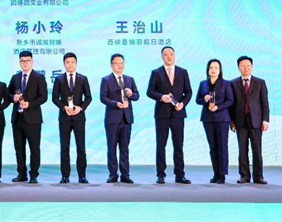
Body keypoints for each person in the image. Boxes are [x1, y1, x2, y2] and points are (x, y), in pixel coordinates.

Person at [146, 46, 192, 184]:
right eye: (166, 55)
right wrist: (161, 97)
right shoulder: (156, 72)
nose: (169, 57)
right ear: (162, 57)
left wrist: (183, 104)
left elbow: (188, 92)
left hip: (178, 114)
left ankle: (180, 175)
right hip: (162, 114)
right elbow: (150, 91)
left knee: (178, 145)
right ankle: (161, 174)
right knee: (161, 145)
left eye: (171, 54)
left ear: (174, 55)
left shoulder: (183, 72)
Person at [52, 52, 92, 184]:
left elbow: (88, 97)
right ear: (64, 64)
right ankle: (65, 176)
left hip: (79, 117)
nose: (70, 64)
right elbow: (54, 98)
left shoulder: (83, 78)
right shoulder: (59, 79)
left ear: (76, 63)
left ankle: (82, 175)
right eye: (67, 62)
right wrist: (64, 107)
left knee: (81, 147)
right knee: (64, 148)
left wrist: (80, 108)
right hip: (65, 117)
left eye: (72, 62)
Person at [9, 50, 48, 184]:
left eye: (27, 61)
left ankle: (33, 175)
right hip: (17, 118)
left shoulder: (39, 77)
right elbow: (8, 93)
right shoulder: (15, 77)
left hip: (33, 118)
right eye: (22, 61)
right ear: (19, 62)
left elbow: (43, 97)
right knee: (19, 148)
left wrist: (29, 104)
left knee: (34, 148)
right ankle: (21, 173)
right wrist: (13, 97)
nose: (24, 63)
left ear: (32, 61)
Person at [230, 56, 270, 184]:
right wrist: (232, 121)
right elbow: (231, 105)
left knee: (257, 150)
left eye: (248, 66)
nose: (245, 68)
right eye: (243, 66)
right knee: (242, 150)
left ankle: (258, 176)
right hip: (240, 121)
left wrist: (265, 120)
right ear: (238, 67)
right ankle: (244, 176)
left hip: (256, 121)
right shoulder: (233, 83)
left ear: (252, 67)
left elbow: (264, 103)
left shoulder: (260, 82)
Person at [100, 53, 139, 184]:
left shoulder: (130, 79)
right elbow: (103, 98)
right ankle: (113, 175)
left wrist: (131, 94)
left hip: (126, 119)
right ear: (111, 65)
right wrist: (115, 103)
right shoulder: (106, 80)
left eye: (121, 63)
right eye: (116, 63)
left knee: (124, 148)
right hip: (112, 118)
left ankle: (125, 175)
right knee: (112, 147)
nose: (119, 66)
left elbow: (137, 96)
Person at [195, 59, 234, 184]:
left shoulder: (226, 83)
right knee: (212, 147)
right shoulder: (203, 84)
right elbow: (197, 100)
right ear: (207, 70)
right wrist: (204, 99)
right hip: (207, 118)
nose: (213, 70)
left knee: (222, 146)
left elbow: (230, 100)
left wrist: (218, 107)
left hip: (222, 118)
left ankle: (222, 174)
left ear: (220, 70)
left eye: (216, 67)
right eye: (211, 67)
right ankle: (215, 173)